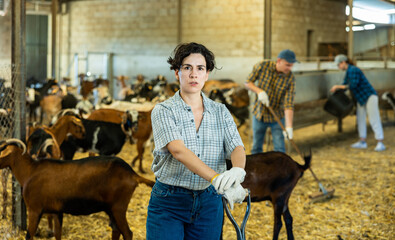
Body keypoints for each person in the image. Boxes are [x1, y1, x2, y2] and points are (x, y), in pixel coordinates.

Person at [146, 42, 247, 240]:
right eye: (187, 67)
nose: (194, 74)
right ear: (177, 72)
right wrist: (216, 178)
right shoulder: (163, 110)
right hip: (170, 201)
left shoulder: (220, 111)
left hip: (209, 202)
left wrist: (238, 171)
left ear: (207, 74)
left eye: (200, 68)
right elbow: (178, 151)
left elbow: (236, 146)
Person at [245, 49, 297, 154]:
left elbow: (288, 104)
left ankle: (279, 170)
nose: (290, 68)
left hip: (277, 116)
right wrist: (259, 92)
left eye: (291, 65)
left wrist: (289, 127)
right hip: (260, 114)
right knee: (256, 147)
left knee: (280, 149)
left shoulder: (290, 78)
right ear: (279, 61)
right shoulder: (263, 66)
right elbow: (248, 82)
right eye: (287, 65)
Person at [330, 54, 385, 151]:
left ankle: (380, 142)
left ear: (343, 62)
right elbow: (344, 84)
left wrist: (338, 87)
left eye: (338, 65)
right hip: (360, 98)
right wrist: (338, 89)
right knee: (360, 118)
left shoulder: (353, 70)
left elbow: (353, 85)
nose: (338, 67)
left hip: (369, 96)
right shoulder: (348, 71)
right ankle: (362, 141)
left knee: (374, 118)